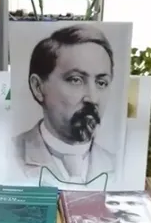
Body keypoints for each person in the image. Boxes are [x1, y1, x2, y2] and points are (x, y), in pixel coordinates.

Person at [13, 25, 116, 185]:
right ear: (38, 87)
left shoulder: (119, 166)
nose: (93, 98)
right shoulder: (7, 155)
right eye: (76, 80)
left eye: (101, 83)